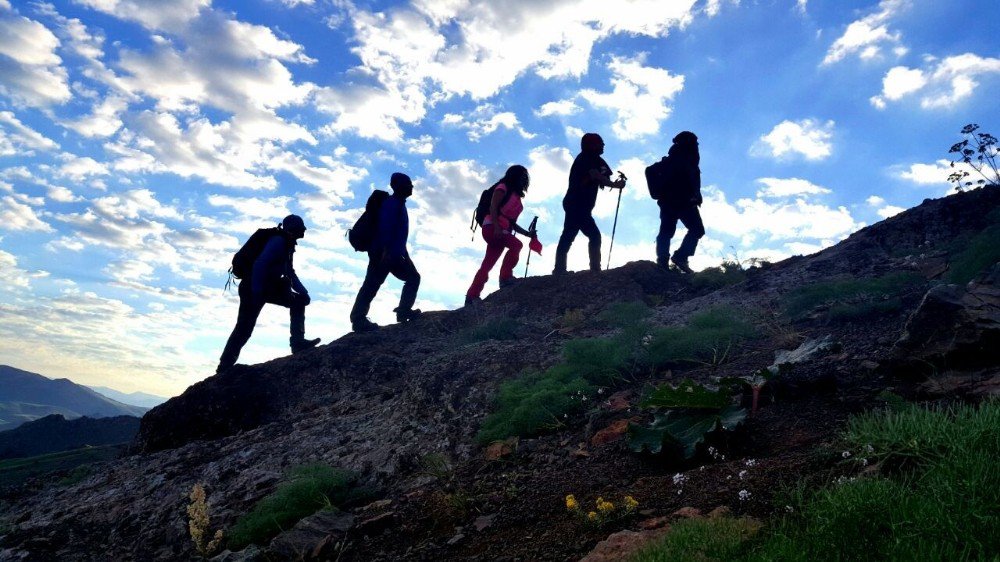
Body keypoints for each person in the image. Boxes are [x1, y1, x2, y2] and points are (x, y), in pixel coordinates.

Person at [217, 214, 320, 374]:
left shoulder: (287, 243)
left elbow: (289, 272)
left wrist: (303, 292)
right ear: (295, 229)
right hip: (253, 287)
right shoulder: (279, 241)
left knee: (299, 301)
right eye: (302, 228)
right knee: (244, 327)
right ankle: (225, 366)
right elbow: (260, 264)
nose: (304, 230)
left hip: (267, 287)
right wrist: (257, 291)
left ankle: (298, 342)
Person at [350, 172, 421, 332]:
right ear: (398, 186)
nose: (411, 187)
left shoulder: (399, 204)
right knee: (372, 284)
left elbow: (400, 235)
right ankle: (358, 320)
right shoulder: (392, 203)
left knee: (412, 277)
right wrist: (386, 251)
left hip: (393, 254)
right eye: (408, 184)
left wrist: (406, 257)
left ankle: (403, 311)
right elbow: (386, 228)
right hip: (382, 253)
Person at [553, 133, 626, 274]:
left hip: (576, 204)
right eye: (600, 143)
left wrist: (613, 183)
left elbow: (600, 176)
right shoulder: (587, 159)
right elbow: (596, 175)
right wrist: (615, 185)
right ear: (592, 145)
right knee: (593, 235)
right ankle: (594, 269)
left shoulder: (592, 159)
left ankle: (560, 269)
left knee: (569, 235)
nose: (603, 145)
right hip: (577, 204)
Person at [466, 165, 537, 304]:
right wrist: (497, 228)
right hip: (492, 227)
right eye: (522, 176)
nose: (524, 179)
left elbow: (512, 223)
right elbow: (493, 207)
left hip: (500, 230)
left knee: (487, 265)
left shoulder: (516, 198)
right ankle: (505, 278)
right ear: (515, 176)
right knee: (516, 245)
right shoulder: (503, 187)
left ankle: (471, 296)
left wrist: (528, 234)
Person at [653, 131, 704, 273]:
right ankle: (680, 257)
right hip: (684, 202)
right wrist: (695, 195)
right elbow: (689, 178)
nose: (697, 145)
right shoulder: (687, 159)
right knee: (697, 229)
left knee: (666, 231)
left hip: (667, 202)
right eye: (695, 142)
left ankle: (663, 261)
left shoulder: (670, 160)